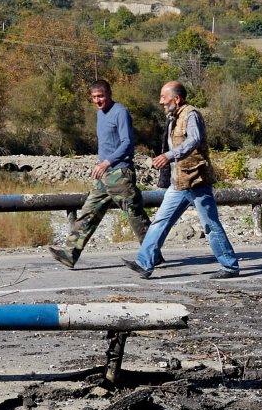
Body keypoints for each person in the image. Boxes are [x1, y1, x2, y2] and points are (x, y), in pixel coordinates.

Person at [132, 80, 242, 279]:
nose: (160, 102)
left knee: (210, 225)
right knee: (160, 222)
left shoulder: (191, 115)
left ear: (176, 98)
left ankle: (230, 266)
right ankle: (144, 263)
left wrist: (169, 155)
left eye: (163, 98)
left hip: (196, 181)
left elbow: (194, 139)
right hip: (179, 183)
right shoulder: (173, 117)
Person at [53, 80, 148, 269]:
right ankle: (70, 254)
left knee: (134, 215)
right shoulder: (99, 114)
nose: (98, 100)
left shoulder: (120, 112)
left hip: (120, 173)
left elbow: (127, 143)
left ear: (110, 94)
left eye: (101, 96)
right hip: (105, 176)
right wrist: (100, 165)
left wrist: (107, 162)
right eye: (94, 97)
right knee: (89, 211)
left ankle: (152, 253)